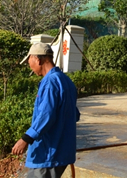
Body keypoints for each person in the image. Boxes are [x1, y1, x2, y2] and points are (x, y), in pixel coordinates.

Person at [12, 42, 80, 178]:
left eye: (29, 61)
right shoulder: (66, 81)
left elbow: (46, 115)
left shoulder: (50, 83)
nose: (30, 67)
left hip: (48, 154)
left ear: (38, 59)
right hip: (62, 152)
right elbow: (75, 114)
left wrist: (26, 138)